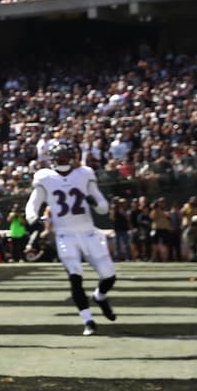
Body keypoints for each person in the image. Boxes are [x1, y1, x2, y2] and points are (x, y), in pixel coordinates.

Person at [25, 138, 118, 336]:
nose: (63, 159)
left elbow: (103, 206)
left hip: (88, 232)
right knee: (75, 276)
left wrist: (96, 203)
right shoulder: (45, 177)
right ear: (52, 159)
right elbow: (33, 203)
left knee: (109, 275)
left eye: (66, 156)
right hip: (65, 234)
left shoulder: (84, 173)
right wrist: (33, 218)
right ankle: (88, 321)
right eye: (60, 157)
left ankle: (100, 297)